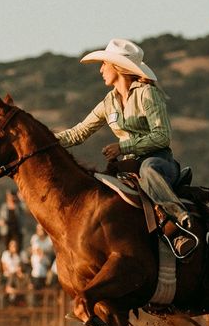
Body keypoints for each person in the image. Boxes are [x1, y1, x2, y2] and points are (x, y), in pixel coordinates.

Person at [53, 38, 196, 256]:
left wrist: (123, 147)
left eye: (104, 64)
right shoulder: (108, 102)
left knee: (148, 169)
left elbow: (162, 137)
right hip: (128, 168)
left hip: (158, 161)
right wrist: (44, 139)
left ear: (118, 67)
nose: (101, 69)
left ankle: (178, 218)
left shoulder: (148, 94)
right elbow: (78, 133)